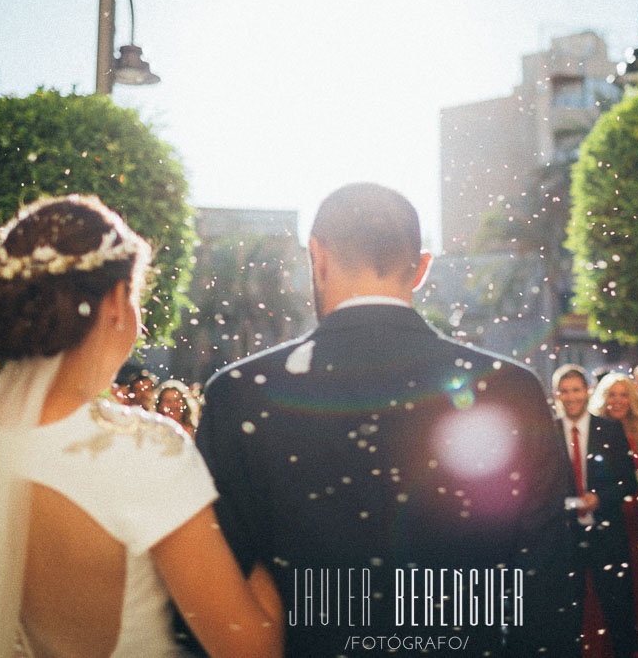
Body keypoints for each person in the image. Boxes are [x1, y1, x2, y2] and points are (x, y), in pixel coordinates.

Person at [0, 195, 282, 658]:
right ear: (114, 300)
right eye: (137, 297)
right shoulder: (147, 451)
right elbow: (251, 648)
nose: (141, 323)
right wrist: (275, 520)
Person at [197, 183, 576, 657]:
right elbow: (544, 588)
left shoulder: (241, 393)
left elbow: (215, 590)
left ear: (318, 257)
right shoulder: (508, 389)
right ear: (421, 268)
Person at [553, 364, 638, 658]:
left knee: (619, 611)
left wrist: (599, 499)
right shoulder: (549, 432)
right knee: (567, 615)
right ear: (557, 395)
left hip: (608, 535)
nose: (571, 396)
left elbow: (629, 482)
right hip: (565, 539)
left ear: (588, 392)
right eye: (565, 391)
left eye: (576, 389)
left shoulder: (610, 429)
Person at [593, 372, 638, 658]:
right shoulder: (593, 433)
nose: (617, 400)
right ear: (603, 399)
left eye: (624, 394)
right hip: (607, 519)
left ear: (632, 399)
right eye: (611, 394)